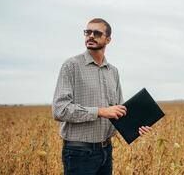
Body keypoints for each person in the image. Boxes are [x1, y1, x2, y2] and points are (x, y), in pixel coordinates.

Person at [52, 18, 152, 175]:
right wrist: (100, 111)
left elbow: (118, 110)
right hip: (79, 152)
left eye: (97, 33)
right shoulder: (71, 66)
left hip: (106, 150)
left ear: (108, 39)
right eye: (88, 32)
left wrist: (135, 126)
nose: (91, 36)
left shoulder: (113, 71)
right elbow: (59, 110)